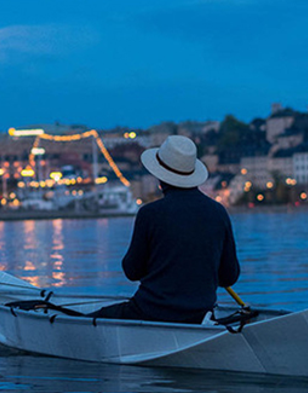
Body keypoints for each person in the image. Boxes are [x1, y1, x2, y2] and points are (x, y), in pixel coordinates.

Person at [89, 135, 240, 324]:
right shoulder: (219, 212)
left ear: (160, 176)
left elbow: (132, 271)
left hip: (150, 312)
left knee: (91, 319)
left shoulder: (150, 214)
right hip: (200, 316)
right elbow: (229, 276)